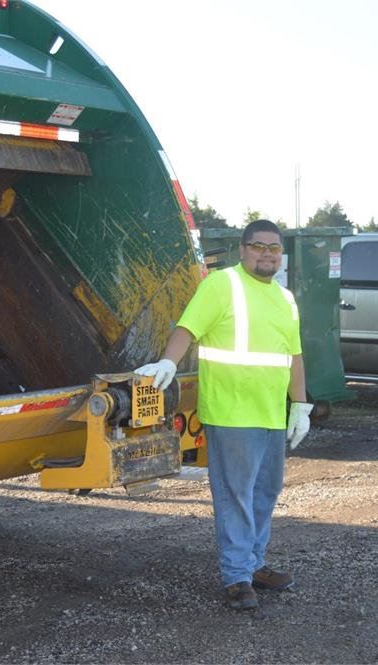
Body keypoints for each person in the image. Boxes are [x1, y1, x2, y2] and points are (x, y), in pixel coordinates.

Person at [134, 219, 311, 611]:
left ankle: (255, 564)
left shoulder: (285, 298)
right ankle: (236, 577)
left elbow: (293, 356)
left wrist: (300, 405)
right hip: (231, 412)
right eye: (259, 246)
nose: (267, 253)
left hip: (270, 414)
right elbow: (188, 328)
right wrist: (167, 361)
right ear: (242, 249)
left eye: (274, 248)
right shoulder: (222, 285)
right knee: (236, 495)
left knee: (265, 491)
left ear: (281, 254)